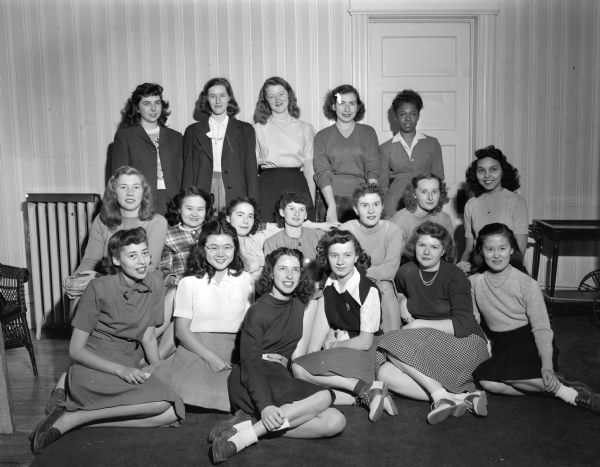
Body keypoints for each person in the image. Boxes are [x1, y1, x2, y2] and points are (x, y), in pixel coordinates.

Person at [30, 228, 184, 454]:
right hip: (95, 364)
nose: (142, 262)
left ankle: (79, 419)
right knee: (163, 404)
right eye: (132, 256)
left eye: (145, 253)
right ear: (116, 260)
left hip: (129, 360)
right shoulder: (99, 288)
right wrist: (121, 370)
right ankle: (71, 416)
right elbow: (75, 350)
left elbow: (148, 335)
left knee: (172, 411)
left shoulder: (155, 282)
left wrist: (157, 369)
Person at [210, 248, 346, 463]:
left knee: (335, 421)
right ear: (271, 273)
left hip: (278, 376)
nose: (290, 276)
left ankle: (247, 427)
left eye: (295, 270)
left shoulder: (299, 305)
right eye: (283, 269)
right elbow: (250, 364)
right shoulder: (258, 311)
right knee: (325, 396)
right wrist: (265, 406)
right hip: (251, 378)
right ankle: (241, 440)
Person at [469, 223, 600, 413]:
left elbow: (541, 328)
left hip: (530, 343)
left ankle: (571, 396)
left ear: (512, 249)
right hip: (502, 346)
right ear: (481, 250)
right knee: (486, 381)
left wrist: (547, 366)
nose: (496, 255)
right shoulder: (473, 282)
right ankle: (560, 388)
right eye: (490, 249)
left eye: (502, 249)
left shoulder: (526, 283)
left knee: (502, 373)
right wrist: (485, 345)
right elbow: (474, 321)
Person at [377, 221, 489, 424]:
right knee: (385, 373)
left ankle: (440, 396)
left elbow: (463, 324)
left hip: (463, 341)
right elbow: (399, 289)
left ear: (443, 250)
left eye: (434, 247)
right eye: (422, 245)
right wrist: (402, 300)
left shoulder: (455, 276)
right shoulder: (406, 271)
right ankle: (458, 397)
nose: (427, 252)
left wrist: (419, 323)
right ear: (414, 247)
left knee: (391, 342)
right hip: (427, 341)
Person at [292, 229, 397, 422]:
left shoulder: (368, 290)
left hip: (366, 350)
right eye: (334, 255)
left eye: (347, 255)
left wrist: (333, 346)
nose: (340, 262)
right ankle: (362, 396)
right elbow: (323, 325)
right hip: (343, 348)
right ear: (326, 256)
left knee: (299, 370)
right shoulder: (330, 284)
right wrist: (314, 355)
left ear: (357, 256)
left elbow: (365, 342)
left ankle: (365, 388)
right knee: (304, 382)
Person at [148, 220, 253, 412]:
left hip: (234, 351)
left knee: (243, 396)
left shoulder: (246, 279)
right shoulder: (189, 283)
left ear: (235, 249)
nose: (221, 254)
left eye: (227, 247)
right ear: (202, 249)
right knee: (176, 392)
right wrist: (211, 358)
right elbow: (181, 331)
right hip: (197, 350)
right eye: (213, 247)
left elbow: (250, 327)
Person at [63, 166, 167, 300]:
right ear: (114, 192)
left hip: (139, 286)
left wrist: (99, 279)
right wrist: (75, 281)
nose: (130, 193)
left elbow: (149, 267)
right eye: (123, 187)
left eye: (136, 187)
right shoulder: (102, 220)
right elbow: (90, 260)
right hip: (105, 282)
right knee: (77, 297)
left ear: (143, 192)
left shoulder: (157, 222)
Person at [182, 77, 258, 212]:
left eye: (222, 95)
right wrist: (185, 203)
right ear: (206, 99)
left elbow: (251, 171)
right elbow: (188, 172)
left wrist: (253, 204)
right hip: (203, 189)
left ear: (229, 97)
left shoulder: (245, 130)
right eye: (213, 96)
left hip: (234, 189)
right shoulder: (193, 131)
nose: (218, 101)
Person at [157, 187, 214, 358]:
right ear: (179, 209)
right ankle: (153, 353)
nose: (195, 214)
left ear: (207, 211)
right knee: (178, 297)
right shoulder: (168, 235)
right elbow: (162, 270)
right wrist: (175, 279)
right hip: (181, 288)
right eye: (189, 208)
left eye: (200, 209)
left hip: (209, 287)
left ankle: (152, 361)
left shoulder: (213, 232)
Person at [225, 197, 337, 281]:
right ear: (228, 218)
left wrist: (319, 225)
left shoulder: (257, 238)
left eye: (250, 216)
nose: (245, 221)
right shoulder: (223, 245)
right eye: (240, 215)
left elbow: (288, 224)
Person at [112, 83, 183, 214]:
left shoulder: (176, 137)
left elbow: (181, 174)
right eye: (146, 103)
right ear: (137, 108)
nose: (153, 108)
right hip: (140, 200)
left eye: (157, 102)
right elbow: (119, 177)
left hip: (172, 202)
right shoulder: (125, 137)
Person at [313, 84, 380, 223]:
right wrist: (331, 206)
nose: (347, 109)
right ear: (333, 106)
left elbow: (372, 168)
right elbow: (322, 172)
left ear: (358, 107)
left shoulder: (368, 133)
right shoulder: (322, 136)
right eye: (341, 103)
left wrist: (372, 201)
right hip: (330, 198)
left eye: (352, 103)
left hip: (361, 199)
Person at [341, 183, 402, 332]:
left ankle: (393, 344)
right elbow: (341, 267)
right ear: (356, 209)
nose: (371, 210)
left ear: (382, 207)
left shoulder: (392, 230)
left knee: (386, 287)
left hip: (382, 286)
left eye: (376, 204)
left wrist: (357, 272)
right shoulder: (346, 229)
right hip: (350, 286)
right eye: (364, 205)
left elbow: (390, 270)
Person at [253, 77, 316, 221]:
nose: (277, 99)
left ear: (289, 95)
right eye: (271, 96)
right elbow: (252, 167)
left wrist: (310, 202)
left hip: (297, 185)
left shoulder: (305, 128)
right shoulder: (257, 129)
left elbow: (309, 168)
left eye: (281, 94)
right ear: (265, 100)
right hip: (267, 187)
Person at [458, 145, 528, 273]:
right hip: (479, 269)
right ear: (475, 174)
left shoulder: (517, 202)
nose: (487, 175)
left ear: (503, 171)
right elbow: (469, 250)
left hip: (509, 269)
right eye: (481, 170)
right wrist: (463, 264)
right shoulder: (471, 204)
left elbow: (519, 252)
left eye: (493, 169)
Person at [379, 90, 444, 219]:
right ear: (395, 117)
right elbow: (382, 185)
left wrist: (433, 204)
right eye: (402, 114)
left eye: (412, 114)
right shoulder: (385, 148)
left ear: (418, 116)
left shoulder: (432, 143)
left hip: (426, 205)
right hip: (394, 205)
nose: (408, 118)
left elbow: (439, 178)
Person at [390, 173, 454, 257]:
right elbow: (395, 259)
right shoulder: (399, 221)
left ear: (440, 194)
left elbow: (450, 253)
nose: (430, 197)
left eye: (434, 191)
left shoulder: (444, 218)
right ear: (414, 194)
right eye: (424, 192)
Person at [263, 191, 324, 261]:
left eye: (301, 210)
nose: (297, 214)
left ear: (306, 215)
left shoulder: (319, 237)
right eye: (292, 209)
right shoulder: (271, 243)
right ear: (282, 212)